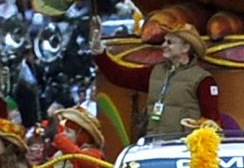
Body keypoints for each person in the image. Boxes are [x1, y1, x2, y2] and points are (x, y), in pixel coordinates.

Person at [92, 25, 220, 141]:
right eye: (164, 41)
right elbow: (120, 76)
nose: (163, 45)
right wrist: (100, 54)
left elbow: (211, 120)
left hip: (183, 147)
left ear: (185, 48)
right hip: (153, 143)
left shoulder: (203, 80)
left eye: (169, 42)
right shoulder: (155, 71)